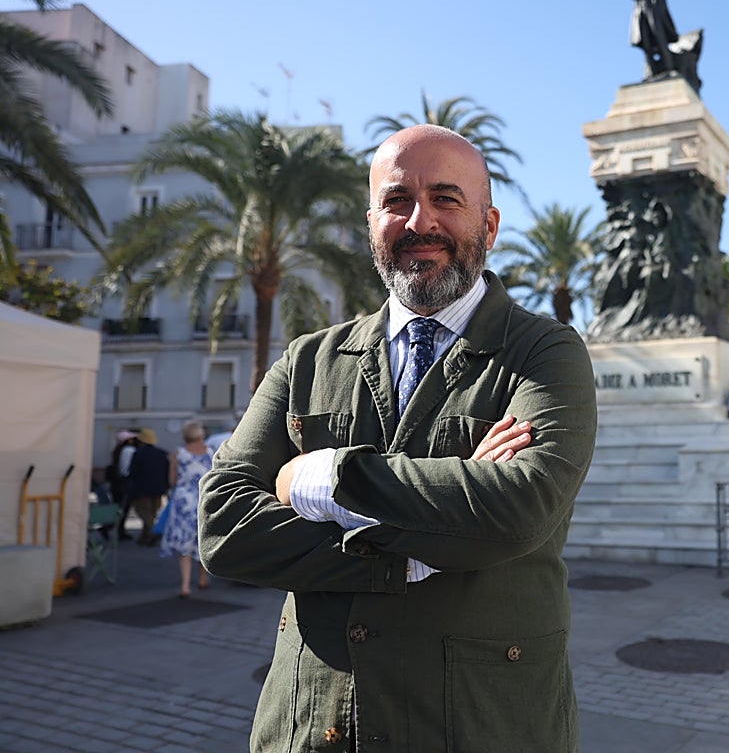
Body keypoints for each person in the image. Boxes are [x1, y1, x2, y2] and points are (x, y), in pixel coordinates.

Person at [198, 124, 598, 752]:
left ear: (488, 227)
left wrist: (322, 479)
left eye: (446, 199)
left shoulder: (545, 353)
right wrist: (413, 554)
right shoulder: (307, 361)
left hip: (485, 724)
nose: (420, 221)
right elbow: (223, 525)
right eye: (396, 201)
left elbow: (518, 507)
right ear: (371, 222)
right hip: (317, 727)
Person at [161, 420, 212, 598]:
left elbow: (172, 480)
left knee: (185, 543)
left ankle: (185, 585)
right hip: (203, 499)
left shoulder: (179, 453)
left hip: (184, 501)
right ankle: (203, 578)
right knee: (203, 538)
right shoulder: (210, 452)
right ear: (200, 434)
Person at [630, 0, 679, 77]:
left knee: (660, 40)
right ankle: (651, 73)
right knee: (646, 44)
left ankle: (669, 69)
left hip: (657, 14)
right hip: (642, 14)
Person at [126, 427, 169, 546]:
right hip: (158, 489)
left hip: (141, 489)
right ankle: (144, 538)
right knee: (152, 513)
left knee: (144, 513)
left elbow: (133, 471)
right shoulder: (161, 454)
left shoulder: (138, 453)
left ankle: (153, 532)